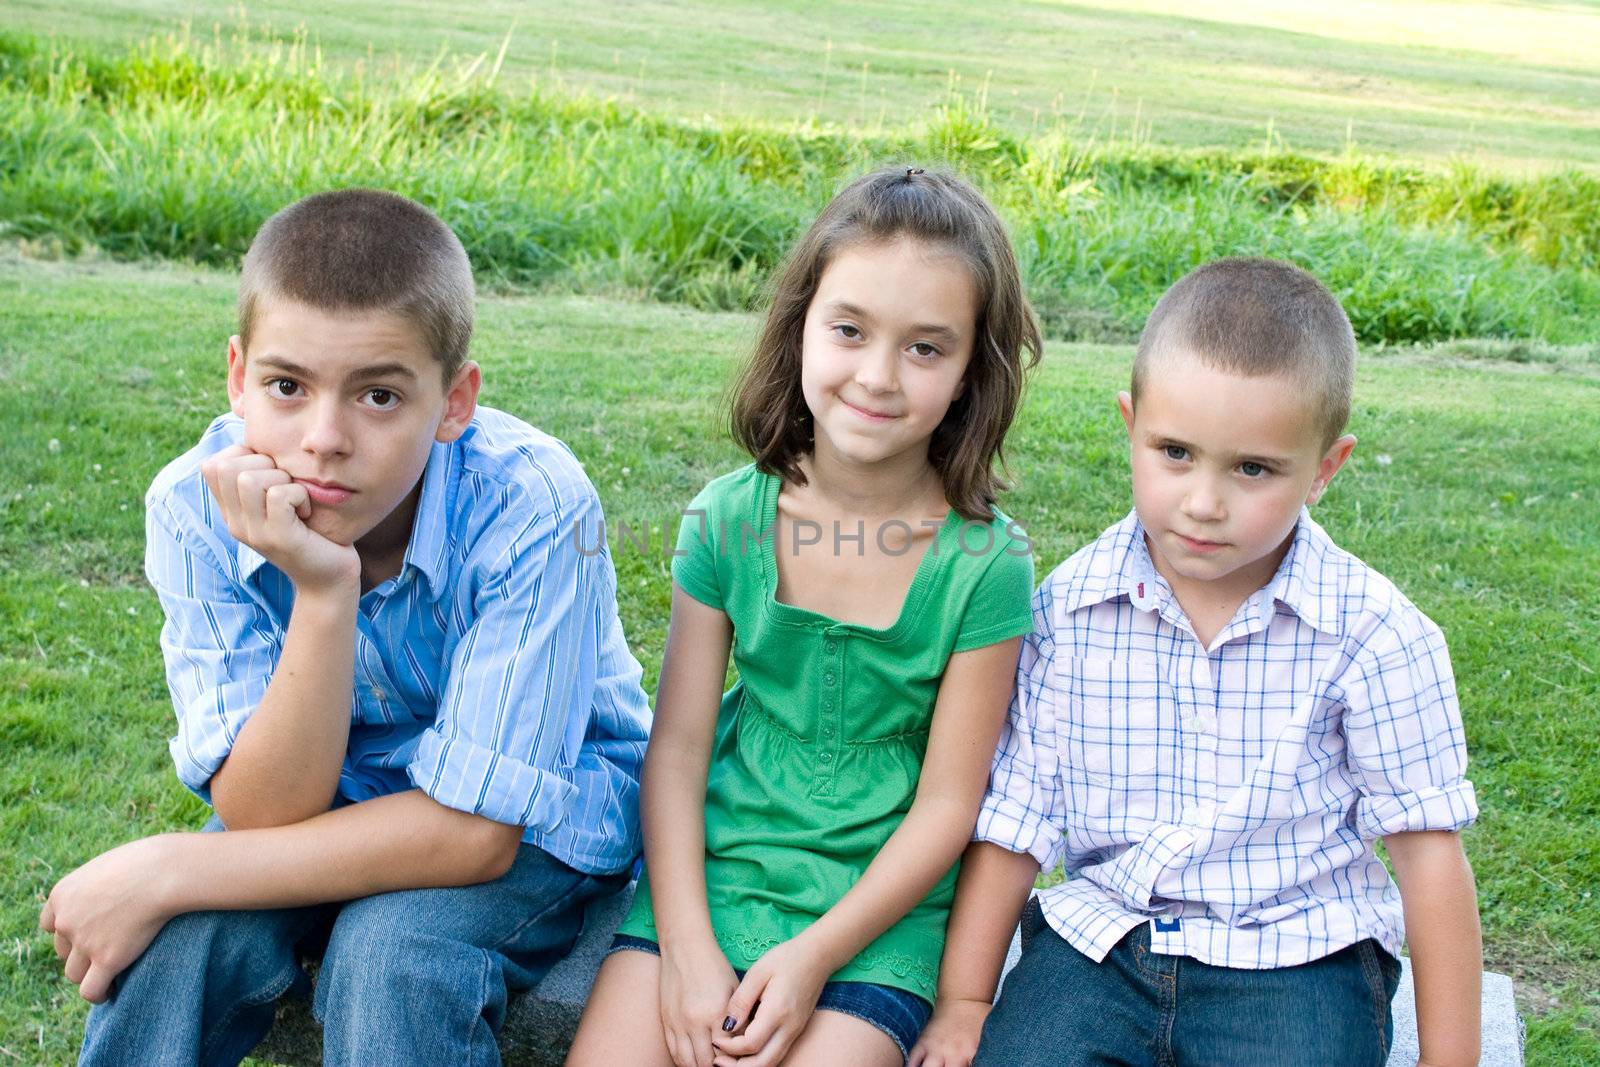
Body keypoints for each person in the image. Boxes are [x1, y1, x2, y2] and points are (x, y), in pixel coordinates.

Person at [39, 188, 652, 1066]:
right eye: (287, 386)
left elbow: (475, 834)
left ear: (453, 402)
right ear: (237, 376)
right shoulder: (190, 505)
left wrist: (167, 866)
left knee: (393, 956)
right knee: (180, 944)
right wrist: (325, 594)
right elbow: (263, 812)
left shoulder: (534, 504)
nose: (323, 439)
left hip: (532, 820)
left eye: (378, 396)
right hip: (326, 799)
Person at [911, 256, 1482, 1067]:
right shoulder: (1069, 612)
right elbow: (1014, 827)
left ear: (1325, 467)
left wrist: (1450, 1059)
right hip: (1104, 944)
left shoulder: (1376, 635)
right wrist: (967, 1000)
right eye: (1174, 451)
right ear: (1131, 424)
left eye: (1252, 468)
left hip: (1298, 955)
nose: (1204, 501)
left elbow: (1429, 856)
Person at [566, 166, 1042, 1067]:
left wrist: (817, 952)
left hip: (875, 919)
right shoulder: (726, 520)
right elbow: (675, 751)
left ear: (971, 371)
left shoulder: (985, 564)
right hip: (712, 883)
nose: (877, 375)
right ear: (800, 329)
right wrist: (689, 950)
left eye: (925, 348)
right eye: (850, 330)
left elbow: (948, 805)